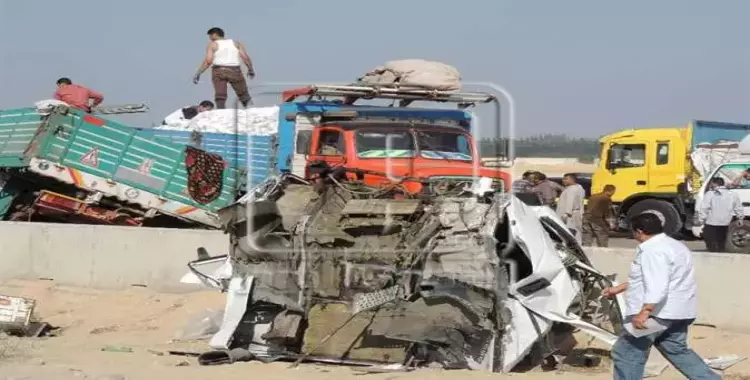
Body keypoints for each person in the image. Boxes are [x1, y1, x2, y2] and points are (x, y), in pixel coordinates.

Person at [604, 213, 720, 380]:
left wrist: (645, 312)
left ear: (639, 231)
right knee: (677, 350)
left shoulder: (653, 251)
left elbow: (658, 285)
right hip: (678, 312)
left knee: (627, 353)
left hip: (656, 315)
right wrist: (620, 288)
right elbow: (657, 278)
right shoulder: (674, 246)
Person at [193, 27, 256, 109]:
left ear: (214, 34)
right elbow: (245, 57)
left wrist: (198, 73)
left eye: (210, 36)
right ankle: (250, 110)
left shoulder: (213, 45)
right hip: (235, 70)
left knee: (220, 94)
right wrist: (250, 69)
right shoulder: (235, 43)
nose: (210, 38)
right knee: (243, 93)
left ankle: (221, 111)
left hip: (219, 70)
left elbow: (208, 61)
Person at [699, 177, 743, 252]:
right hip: (725, 222)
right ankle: (721, 253)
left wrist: (701, 219)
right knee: (721, 241)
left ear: (715, 184)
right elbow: (738, 207)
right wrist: (740, 218)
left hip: (711, 222)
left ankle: (712, 254)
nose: (711, 185)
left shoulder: (710, 194)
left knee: (710, 241)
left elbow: (704, 208)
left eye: (712, 183)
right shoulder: (733, 195)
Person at [556, 173, 586, 243]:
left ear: (572, 179)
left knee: (569, 231)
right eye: (563, 179)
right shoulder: (579, 188)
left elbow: (570, 201)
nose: (563, 181)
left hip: (569, 215)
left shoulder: (571, 189)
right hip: (577, 213)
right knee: (577, 231)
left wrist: (567, 213)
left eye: (566, 179)